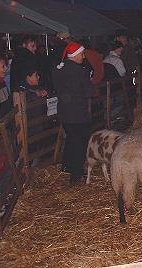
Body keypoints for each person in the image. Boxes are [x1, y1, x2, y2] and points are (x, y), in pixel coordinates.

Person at [52, 42, 93, 185]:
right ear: (75, 55)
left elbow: (56, 87)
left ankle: (66, 165)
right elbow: (88, 92)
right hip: (78, 113)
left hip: (64, 111)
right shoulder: (81, 71)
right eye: (82, 54)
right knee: (80, 142)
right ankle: (76, 174)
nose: (83, 56)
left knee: (70, 138)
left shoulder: (58, 69)